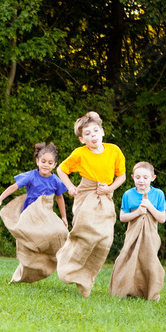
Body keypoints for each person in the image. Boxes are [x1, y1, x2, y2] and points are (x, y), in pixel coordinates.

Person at [55, 111, 126, 297]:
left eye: (95, 131)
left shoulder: (114, 150)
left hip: (105, 196)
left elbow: (122, 176)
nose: (92, 135)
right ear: (81, 139)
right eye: (87, 133)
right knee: (85, 232)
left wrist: (110, 189)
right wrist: (70, 186)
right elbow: (61, 170)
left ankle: (86, 279)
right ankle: (67, 264)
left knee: (105, 239)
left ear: (102, 132)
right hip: (86, 194)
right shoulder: (80, 154)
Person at [0, 143, 69, 283]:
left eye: (50, 163)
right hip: (29, 215)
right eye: (43, 161)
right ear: (37, 161)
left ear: (55, 165)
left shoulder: (56, 180)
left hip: (46, 215)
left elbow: (59, 198)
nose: (46, 165)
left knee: (61, 233)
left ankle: (57, 259)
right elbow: (14, 187)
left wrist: (64, 217)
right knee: (28, 245)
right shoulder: (31, 176)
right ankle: (23, 271)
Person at [109, 161, 166, 300]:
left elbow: (162, 218)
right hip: (133, 234)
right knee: (128, 260)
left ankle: (149, 292)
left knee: (149, 262)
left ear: (153, 178)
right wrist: (137, 212)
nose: (141, 180)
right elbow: (123, 217)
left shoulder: (158, 194)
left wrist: (150, 207)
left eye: (145, 177)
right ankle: (126, 289)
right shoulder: (128, 194)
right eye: (138, 177)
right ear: (132, 177)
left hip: (151, 236)